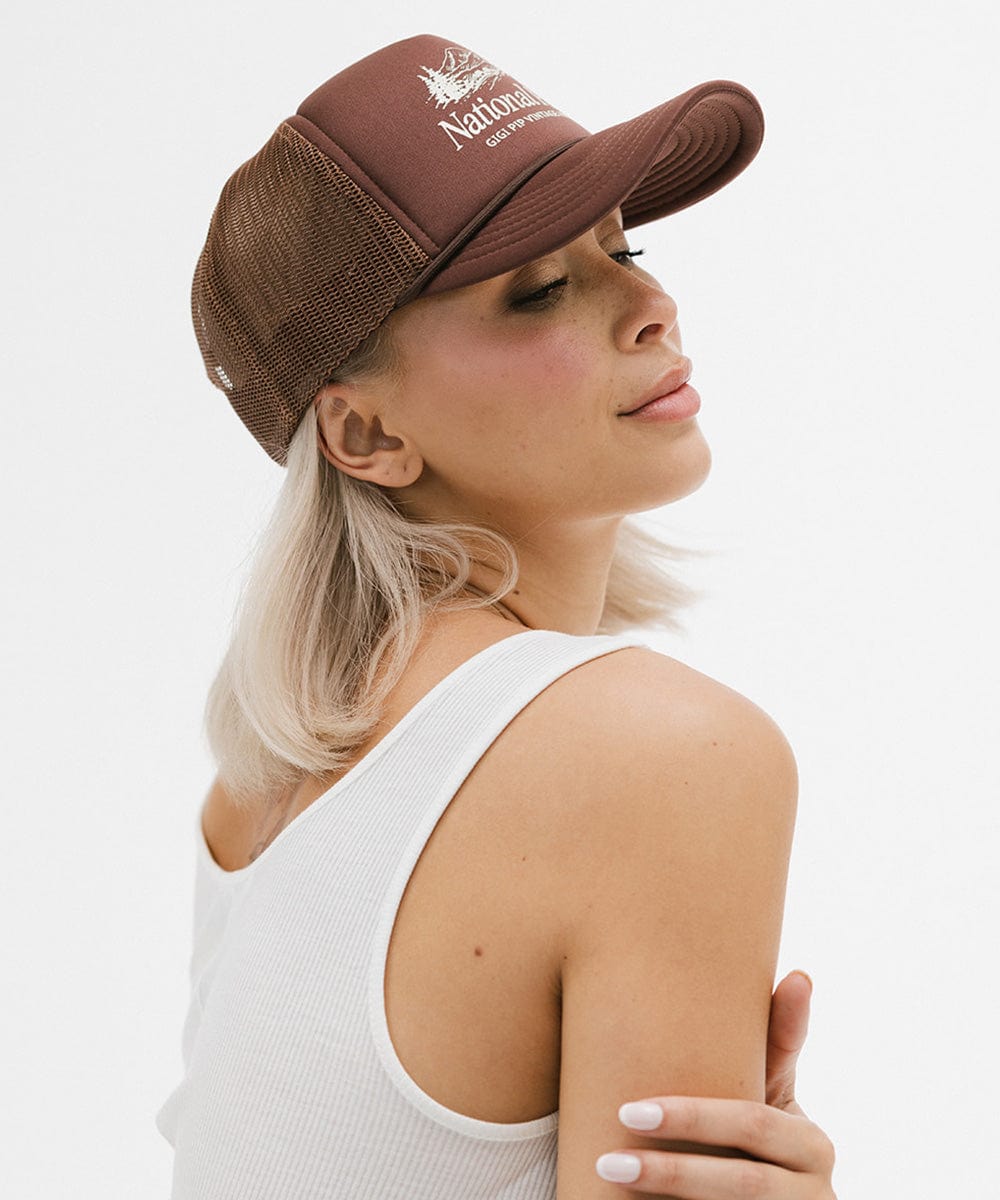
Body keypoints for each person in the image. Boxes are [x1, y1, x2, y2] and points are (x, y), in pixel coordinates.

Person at [156, 33, 837, 1198]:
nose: (651, 303)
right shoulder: (660, 756)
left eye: (622, 244)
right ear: (364, 435)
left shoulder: (265, 788)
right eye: (539, 291)